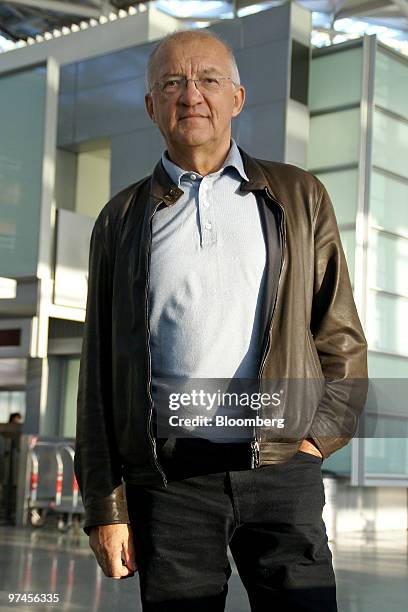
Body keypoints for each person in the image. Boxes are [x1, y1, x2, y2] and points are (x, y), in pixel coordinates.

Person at [74, 29, 368, 611]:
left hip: (284, 471)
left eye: (208, 80)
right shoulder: (120, 219)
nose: (192, 96)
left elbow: (339, 336)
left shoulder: (298, 195)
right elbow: (99, 376)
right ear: (151, 105)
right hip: (169, 482)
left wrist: (314, 441)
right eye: (173, 83)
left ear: (237, 97)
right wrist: (106, 510)